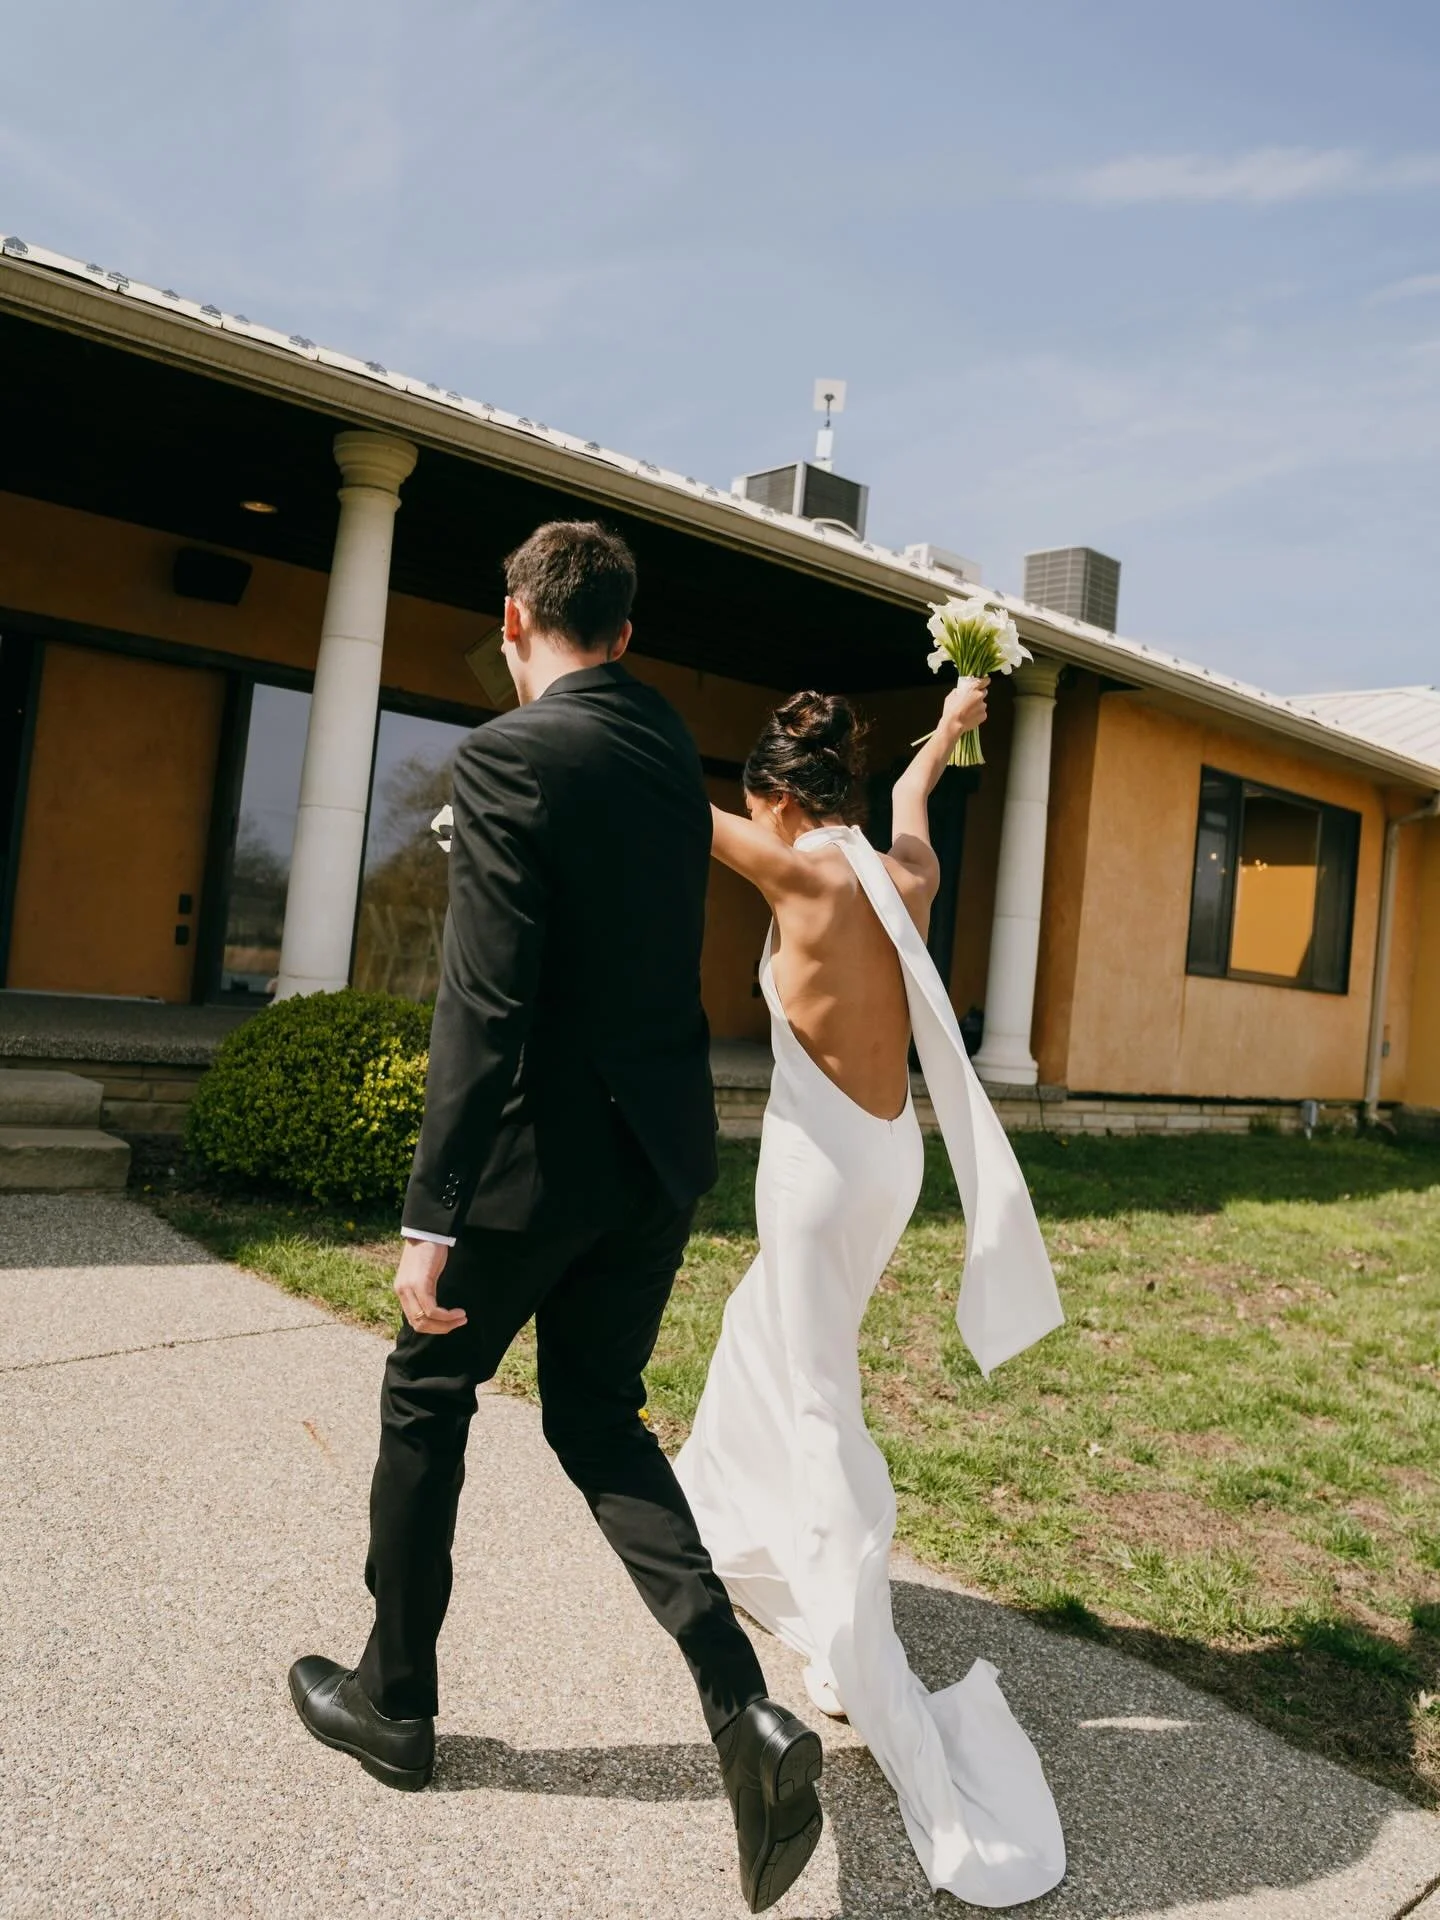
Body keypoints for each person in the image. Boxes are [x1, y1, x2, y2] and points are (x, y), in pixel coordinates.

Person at [288, 521, 823, 1916]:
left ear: (513, 620)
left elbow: (483, 1005)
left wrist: (432, 1214)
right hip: (662, 1155)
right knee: (597, 1415)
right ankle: (741, 1707)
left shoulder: (511, 756)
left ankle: (394, 1699)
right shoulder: (663, 747)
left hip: (540, 1159)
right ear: (629, 635)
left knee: (427, 1391)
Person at [673, 684, 1068, 1908]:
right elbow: (908, 801)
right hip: (890, 1162)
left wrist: (582, 721)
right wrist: (947, 729)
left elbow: (667, 806)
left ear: (779, 796)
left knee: (816, 1398)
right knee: (764, 1335)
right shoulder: (899, 875)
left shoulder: (800, 875)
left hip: (817, 1171)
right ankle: (731, 1522)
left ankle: (853, 1649)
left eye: (759, 803)